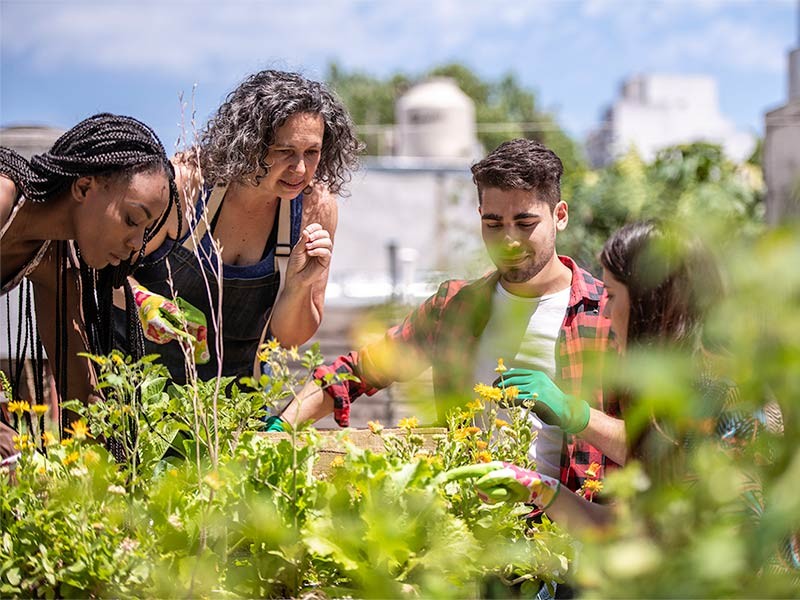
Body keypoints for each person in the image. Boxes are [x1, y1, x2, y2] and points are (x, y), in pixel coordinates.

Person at [277, 138, 619, 493]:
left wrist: (575, 413)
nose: (509, 241)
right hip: (474, 528)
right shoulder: (455, 307)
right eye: (494, 224)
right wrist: (275, 430)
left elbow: (655, 448)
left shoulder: (608, 313)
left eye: (525, 222)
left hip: (570, 535)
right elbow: (353, 372)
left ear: (559, 216)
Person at [467, 221, 785, 532]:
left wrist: (573, 414)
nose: (604, 311)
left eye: (613, 295)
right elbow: (622, 526)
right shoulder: (673, 393)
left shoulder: (728, 404)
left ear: (650, 302)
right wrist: (536, 487)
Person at [116, 69, 361, 383]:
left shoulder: (315, 207)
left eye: (311, 152)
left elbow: (288, 340)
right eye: (285, 152)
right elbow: (102, 271)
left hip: (238, 401)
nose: (300, 169)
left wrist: (299, 286)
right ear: (250, 143)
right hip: (140, 386)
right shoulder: (185, 185)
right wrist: (144, 301)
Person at [1, 113, 179, 459]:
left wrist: (105, 475)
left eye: (145, 232)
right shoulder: (3, 196)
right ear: (84, 187)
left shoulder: (54, 257)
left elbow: (79, 392)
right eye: (131, 220)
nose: (135, 244)